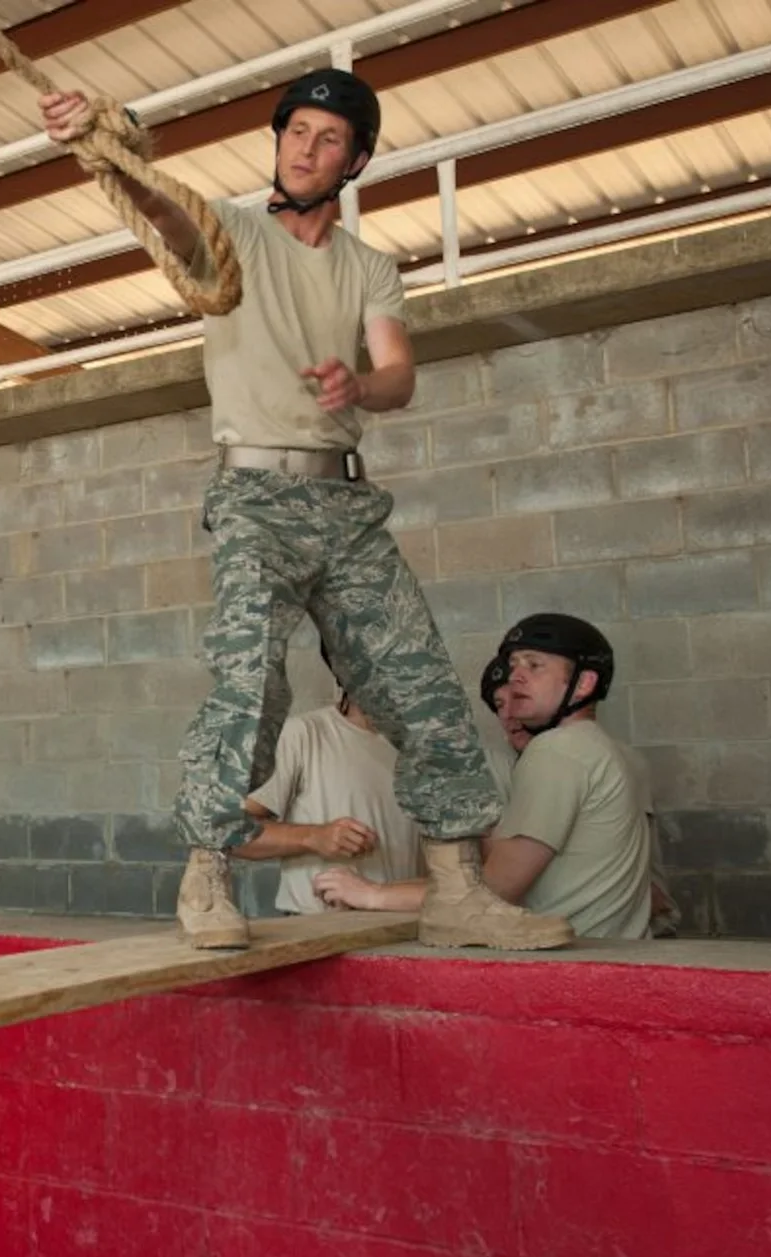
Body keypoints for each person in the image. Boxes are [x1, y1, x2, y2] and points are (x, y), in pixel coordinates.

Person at [41, 73, 571, 952]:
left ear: (355, 160)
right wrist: (108, 144)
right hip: (255, 497)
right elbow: (168, 215)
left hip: (346, 499)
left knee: (425, 686)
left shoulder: (369, 266)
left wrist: (357, 383)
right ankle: (207, 872)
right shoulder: (238, 232)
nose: (304, 148)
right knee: (248, 683)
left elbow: (398, 373)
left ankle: (454, 887)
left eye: (328, 138)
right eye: (296, 131)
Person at [314, 615, 652, 938]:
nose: (515, 676)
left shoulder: (557, 751)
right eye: (513, 665)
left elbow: (493, 890)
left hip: (573, 963)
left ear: (584, 683)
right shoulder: (610, 750)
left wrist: (372, 895)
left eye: (534, 665)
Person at [482, 647, 679, 936]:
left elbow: (499, 885)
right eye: (500, 705)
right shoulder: (504, 766)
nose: (510, 714)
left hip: (610, 934)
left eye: (518, 700)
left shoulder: (570, 754)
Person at [234, 681, 420, 915]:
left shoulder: (423, 748)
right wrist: (313, 837)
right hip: (318, 931)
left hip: (408, 930)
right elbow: (230, 833)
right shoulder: (303, 734)